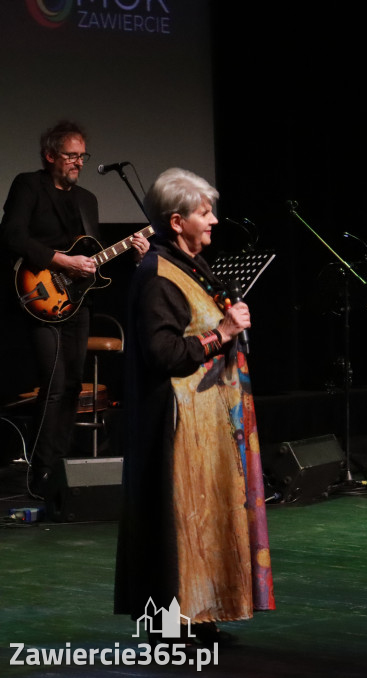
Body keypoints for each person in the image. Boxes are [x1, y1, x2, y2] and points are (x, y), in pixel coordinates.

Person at [114, 168, 274, 644]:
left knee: (204, 521)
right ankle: (167, 629)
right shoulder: (157, 275)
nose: (214, 221)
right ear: (177, 220)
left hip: (207, 424)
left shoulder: (190, 265)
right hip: (174, 426)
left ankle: (199, 615)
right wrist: (220, 334)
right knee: (175, 527)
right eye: (205, 213)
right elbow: (162, 353)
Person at [0, 121, 147, 497]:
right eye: (71, 155)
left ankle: (61, 467)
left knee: (70, 388)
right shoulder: (28, 185)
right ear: (50, 156)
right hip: (39, 296)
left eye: (82, 156)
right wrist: (61, 262)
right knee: (53, 385)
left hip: (77, 302)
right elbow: (12, 235)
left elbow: (92, 259)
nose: (78, 163)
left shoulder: (87, 201)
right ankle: (40, 473)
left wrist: (132, 254)